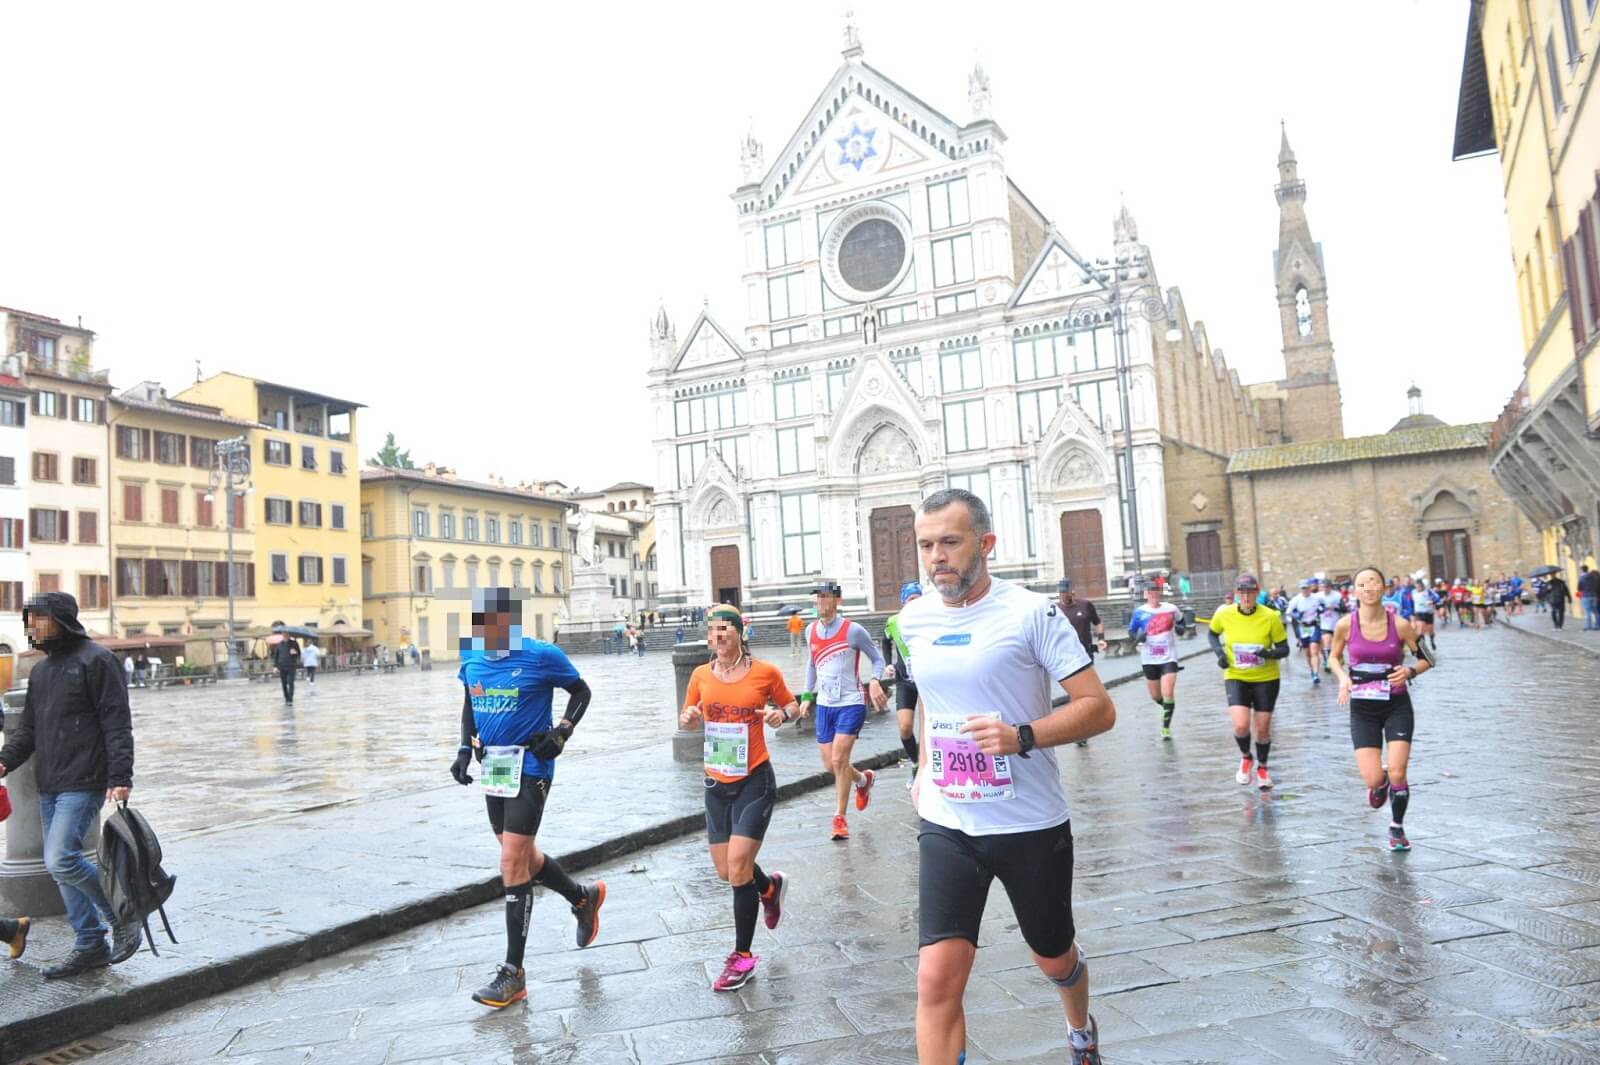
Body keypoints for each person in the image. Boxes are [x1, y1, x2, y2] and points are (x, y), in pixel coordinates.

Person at [901, 488, 1116, 1065]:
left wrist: (1022, 735)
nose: (937, 556)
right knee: (936, 978)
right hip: (948, 818)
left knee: (1052, 955)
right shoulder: (912, 618)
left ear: (985, 543)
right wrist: (925, 768)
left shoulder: (1031, 612)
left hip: (1029, 820)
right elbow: (930, 701)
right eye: (926, 545)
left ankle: (1079, 1023)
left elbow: (1098, 707)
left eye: (950, 541)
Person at [450, 588, 604, 1009]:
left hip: (532, 767)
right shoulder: (472, 658)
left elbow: (582, 691)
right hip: (494, 770)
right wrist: (464, 749)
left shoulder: (541, 656)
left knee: (510, 861)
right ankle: (582, 898)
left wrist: (562, 731)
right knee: (521, 856)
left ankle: (513, 974)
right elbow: (470, 702)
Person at [0, 592, 141, 977]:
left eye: (39, 619)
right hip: (50, 780)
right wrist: (4, 761)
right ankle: (90, 943)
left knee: (60, 858)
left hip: (85, 778)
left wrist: (120, 776)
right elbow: (28, 729)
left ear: (61, 618)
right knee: (60, 866)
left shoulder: (98, 660)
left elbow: (116, 721)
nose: (32, 627)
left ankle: (123, 915)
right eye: (29, 620)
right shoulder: (41, 671)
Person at [679, 604, 799, 991]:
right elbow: (690, 712)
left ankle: (742, 957)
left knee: (737, 867)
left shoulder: (766, 672)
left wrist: (784, 715)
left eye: (725, 628)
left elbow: (792, 705)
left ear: (739, 632)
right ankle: (768, 888)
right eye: (712, 630)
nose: (718, 636)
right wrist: (690, 720)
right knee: (729, 871)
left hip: (754, 779)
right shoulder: (699, 674)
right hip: (716, 782)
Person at [1328, 565, 1435, 852]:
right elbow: (1333, 658)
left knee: (1399, 771)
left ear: (1384, 588)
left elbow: (1428, 658)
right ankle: (1380, 781)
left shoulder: (1400, 625)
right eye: (1362, 584)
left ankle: (1397, 828)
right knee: (1374, 778)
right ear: (1355, 591)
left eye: (1374, 582)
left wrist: (1410, 672)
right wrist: (1342, 679)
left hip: (1396, 704)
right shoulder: (1345, 625)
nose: (1369, 587)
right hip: (1363, 708)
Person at [804, 580, 888, 841]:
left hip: (851, 702)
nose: (821, 602)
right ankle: (863, 781)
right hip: (825, 705)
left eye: (826, 597)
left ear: (837, 601)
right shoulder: (810, 631)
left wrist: (875, 680)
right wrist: (807, 696)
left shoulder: (854, 631)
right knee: (831, 764)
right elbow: (811, 664)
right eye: (817, 598)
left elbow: (878, 659)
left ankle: (839, 818)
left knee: (840, 759)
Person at [1207, 573, 1290, 790]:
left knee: (1262, 729)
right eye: (1241, 592)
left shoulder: (1270, 616)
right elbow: (1212, 634)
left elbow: (1285, 648)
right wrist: (1220, 654)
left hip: (1266, 678)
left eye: (1250, 592)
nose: (1246, 597)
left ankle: (1263, 767)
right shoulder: (1224, 613)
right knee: (1241, 724)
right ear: (1236, 594)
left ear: (1257, 592)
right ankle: (1246, 757)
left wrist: (1269, 653)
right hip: (1236, 676)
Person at [1128, 581, 1182, 739]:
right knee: (1155, 696)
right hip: (1149, 659)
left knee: (1168, 692)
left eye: (1156, 592)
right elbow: (1131, 632)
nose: (1153, 596)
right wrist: (1138, 637)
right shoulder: (1139, 612)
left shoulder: (1171, 608)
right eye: (1150, 593)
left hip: (1169, 658)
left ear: (1160, 593)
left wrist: (1180, 628)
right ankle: (1167, 708)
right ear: (1145, 595)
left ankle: (1166, 728)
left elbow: (1181, 622)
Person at [884, 582, 925, 784]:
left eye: (918, 598)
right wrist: (887, 664)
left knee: (929, 728)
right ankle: (916, 761)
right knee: (905, 727)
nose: (914, 603)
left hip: (927, 680)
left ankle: (929, 769)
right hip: (905, 680)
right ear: (903, 602)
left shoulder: (930, 620)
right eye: (910, 599)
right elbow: (885, 641)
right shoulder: (894, 622)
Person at [1285, 580, 1323, 683]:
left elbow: (1323, 605)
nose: (1305, 590)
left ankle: (1316, 674)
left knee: (1314, 650)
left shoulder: (1316, 597)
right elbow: (1288, 612)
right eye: (1302, 588)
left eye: (1306, 588)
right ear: (1300, 589)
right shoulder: (1296, 600)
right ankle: (1312, 669)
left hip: (1314, 625)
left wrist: (1321, 609)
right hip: (1303, 627)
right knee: (1307, 653)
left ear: (1310, 588)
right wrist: (1296, 615)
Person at [1315, 579, 1343, 671]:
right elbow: (1314, 609)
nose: (1325, 589)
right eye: (1323, 587)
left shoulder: (1337, 595)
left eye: (1327, 587)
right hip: (1324, 624)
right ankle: (1328, 661)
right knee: (1326, 642)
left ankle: (1338, 656)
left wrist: (1335, 607)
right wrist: (1321, 609)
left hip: (1336, 623)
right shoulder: (1317, 596)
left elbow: (1344, 608)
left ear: (1330, 587)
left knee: (1335, 644)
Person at [271, 632, 301, 704]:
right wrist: (275, 666)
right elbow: (276, 657)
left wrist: (295, 652)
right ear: (282, 635)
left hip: (291, 666)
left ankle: (290, 699)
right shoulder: (279, 645)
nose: (285, 635)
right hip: (282, 666)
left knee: (290, 682)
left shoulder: (294, 643)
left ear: (289, 635)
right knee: (284, 683)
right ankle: (286, 697)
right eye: (284, 634)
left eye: (286, 634)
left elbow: (299, 653)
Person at [1580, 565, 1600, 631]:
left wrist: (1580, 596)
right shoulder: (1594, 577)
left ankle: (1588, 626)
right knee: (1595, 611)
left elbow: (1579, 588)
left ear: (1582, 570)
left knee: (1588, 612)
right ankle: (1597, 625)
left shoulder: (1582, 577)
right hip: (1594, 596)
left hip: (1586, 596)